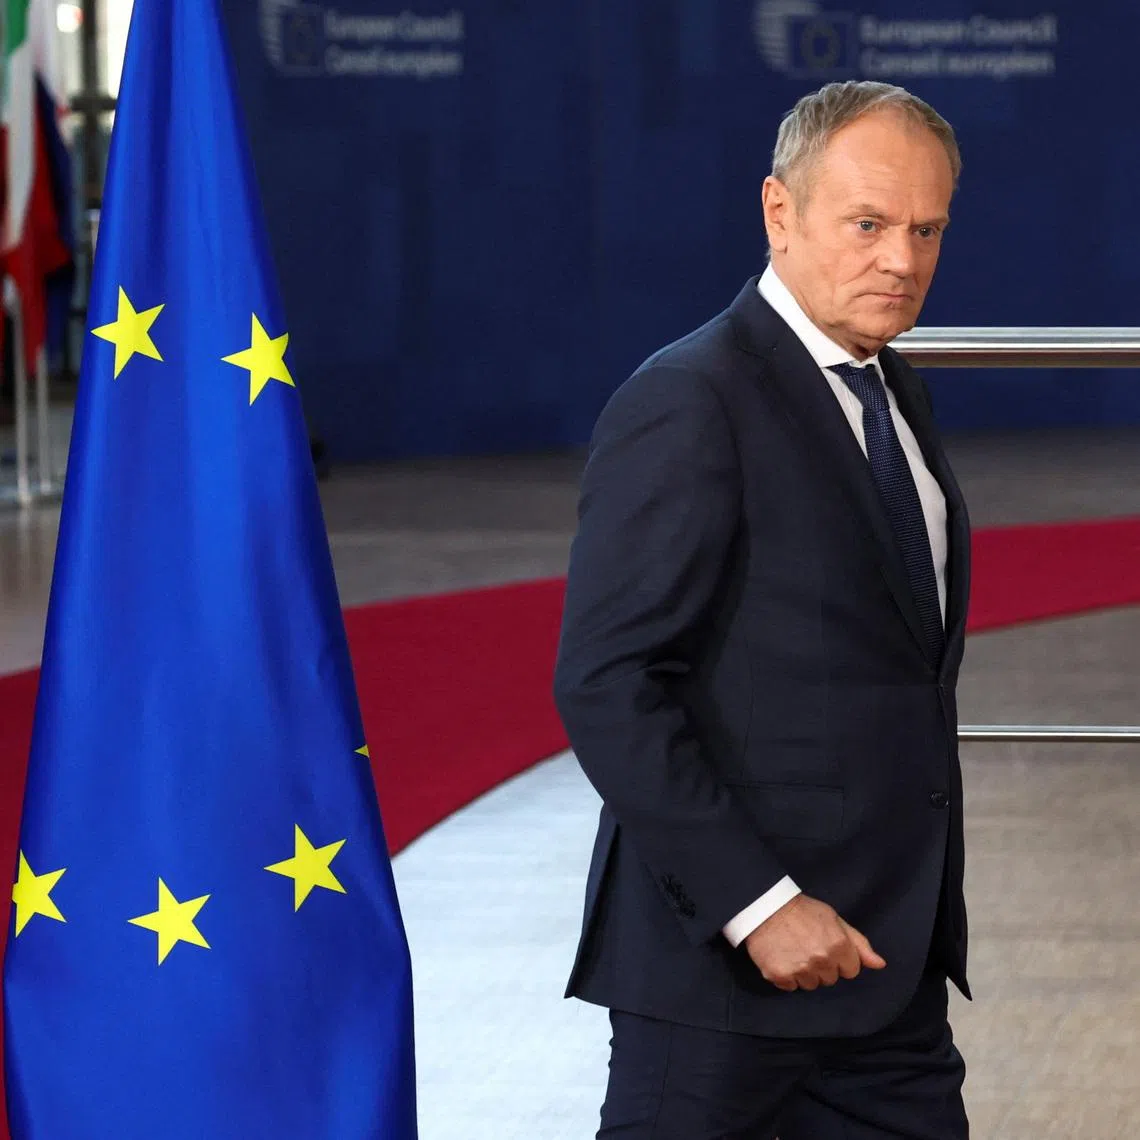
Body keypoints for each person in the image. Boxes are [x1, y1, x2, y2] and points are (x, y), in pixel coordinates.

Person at [553, 81, 971, 1139]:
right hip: (722, 991)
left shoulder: (892, 389)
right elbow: (608, 684)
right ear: (780, 213)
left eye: (926, 229)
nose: (902, 259)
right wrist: (761, 904)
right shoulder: (689, 397)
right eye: (867, 224)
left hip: (886, 979)